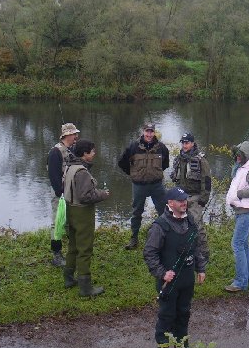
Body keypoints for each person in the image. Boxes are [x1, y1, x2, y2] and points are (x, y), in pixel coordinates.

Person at [143, 186, 208, 348]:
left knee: (184, 313)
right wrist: (162, 273)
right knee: (166, 317)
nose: (184, 203)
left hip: (187, 279)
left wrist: (201, 268)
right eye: (180, 200)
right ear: (170, 203)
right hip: (168, 283)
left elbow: (196, 246)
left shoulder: (190, 220)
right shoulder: (160, 226)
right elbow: (149, 253)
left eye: (185, 200)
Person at [62, 139, 110, 296]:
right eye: (92, 151)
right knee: (85, 249)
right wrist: (102, 194)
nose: (94, 153)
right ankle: (85, 288)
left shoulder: (70, 166)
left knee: (73, 246)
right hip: (82, 213)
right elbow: (85, 196)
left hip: (70, 210)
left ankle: (68, 278)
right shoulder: (82, 172)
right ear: (84, 154)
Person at [117, 122, 170, 250]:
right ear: (143, 132)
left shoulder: (161, 148)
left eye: (151, 131)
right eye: (147, 131)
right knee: (136, 212)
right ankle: (134, 239)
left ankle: (165, 238)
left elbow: (165, 164)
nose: (149, 134)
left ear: (154, 132)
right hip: (139, 186)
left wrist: (155, 173)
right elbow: (122, 163)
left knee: (164, 212)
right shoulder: (133, 147)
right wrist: (133, 174)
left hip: (157, 185)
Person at [224, 140, 249, 293]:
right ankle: (246, 277)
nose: (237, 157)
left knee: (237, 244)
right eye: (236, 155)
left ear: (246, 155)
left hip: (246, 212)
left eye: (240, 155)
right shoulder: (241, 167)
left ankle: (240, 282)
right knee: (243, 244)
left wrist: (238, 195)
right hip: (242, 211)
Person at [170, 131, 211, 258]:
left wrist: (203, 199)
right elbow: (175, 180)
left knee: (197, 226)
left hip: (195, 197)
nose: (184, 145)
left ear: (192, 143)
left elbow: (207, 181)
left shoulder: (201, 160)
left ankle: (203, 253)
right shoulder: (179, 159)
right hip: (181, 197)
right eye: (183, 143)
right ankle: (185, 250)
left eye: (187, 143)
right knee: (179, 225)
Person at [46, 122, 80, 267]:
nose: (76, 136)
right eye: (74, 134)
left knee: (71, 222)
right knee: (57, 223)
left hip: (72, 193)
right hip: (59, 195)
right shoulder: (55, 152)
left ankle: (74, 250)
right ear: (67, 135)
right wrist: (60, 194)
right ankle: (56, 255)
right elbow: (53, 175)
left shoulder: (71, 150)